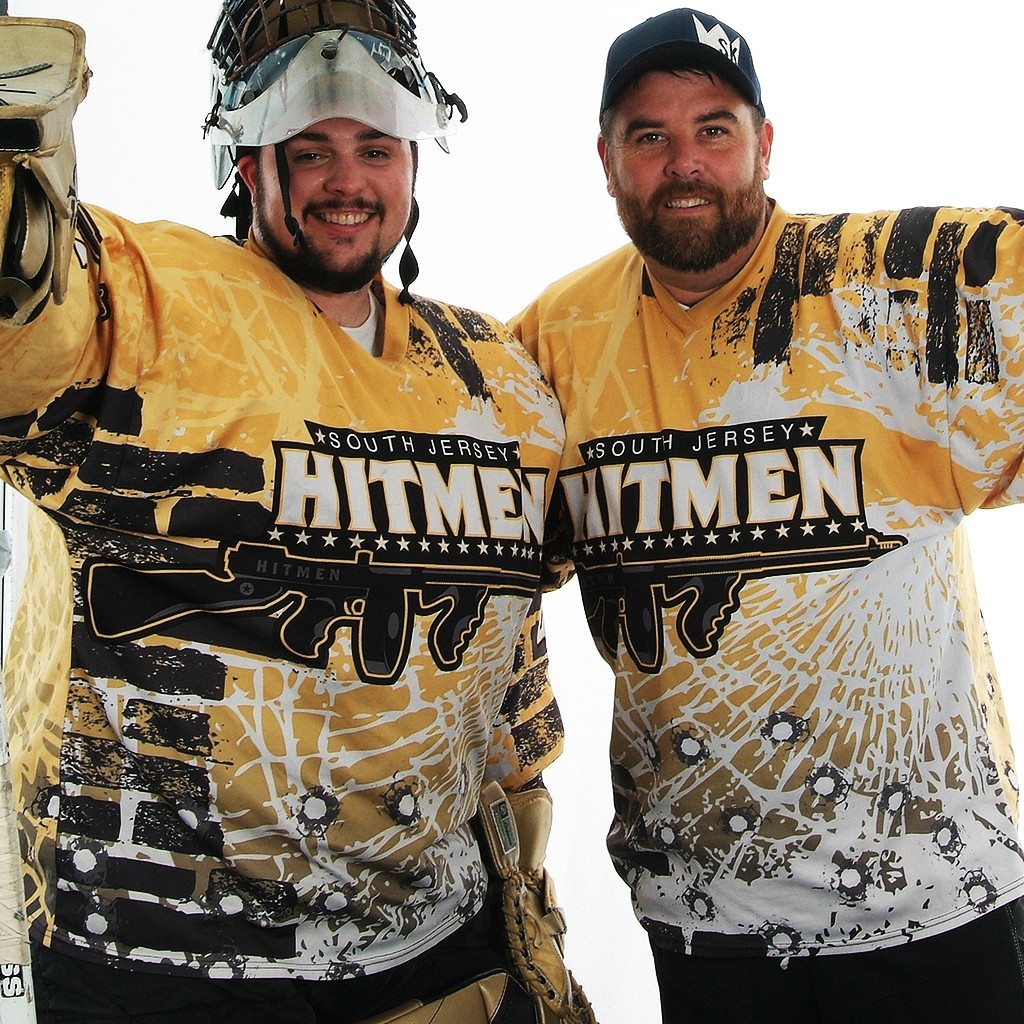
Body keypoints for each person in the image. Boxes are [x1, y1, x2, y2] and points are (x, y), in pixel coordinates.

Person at [0, 3, 587, 1022]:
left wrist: (521, 867)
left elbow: (502, 637)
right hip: (157, 952)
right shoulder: (150, 306)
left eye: (374, 147)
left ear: (414, 159)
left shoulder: (497, 378)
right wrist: (20, 154)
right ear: (246, 162)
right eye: (310, 149)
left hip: (432, 944)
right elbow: (31, 325)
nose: (347, 180)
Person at [513, 8, 1024, 1023]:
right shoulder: (555, 342)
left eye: (714, 128)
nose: (684, 162)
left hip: (940, 900)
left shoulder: (895, 286)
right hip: (708, 925)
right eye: (649, 136)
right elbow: (461, 556)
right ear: (606, 161)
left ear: (764, 142)